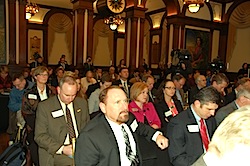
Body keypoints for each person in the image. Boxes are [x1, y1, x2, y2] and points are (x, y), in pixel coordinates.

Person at [75, 86, 169, 166]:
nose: (124, 107)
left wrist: (156, 136)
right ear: (103, 107)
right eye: (117, 102)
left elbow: (139, 127)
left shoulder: (127, 118)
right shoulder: (90, 137)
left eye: (125, 101)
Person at [34, 71, 90, 166]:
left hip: (80, 148)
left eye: (73, 95)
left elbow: (87, 129)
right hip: (55, 151)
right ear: (59, 90)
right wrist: (63, 149)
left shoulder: (82, 103)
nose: (70, 99)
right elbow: (40, 136)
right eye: (67, 95)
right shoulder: (45, 107)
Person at [167, 86, 220, 166]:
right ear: (197, 104)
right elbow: (177, 158)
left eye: (214, 109)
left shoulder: (210, 120)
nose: (213, 113)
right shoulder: (178, 122)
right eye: (209, 109)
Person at [22, 66, 51, 165]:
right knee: (36, 150)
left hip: (51, 126)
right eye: (41, 74)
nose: (44, 77)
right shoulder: (29, 93)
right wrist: (39, 127)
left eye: (46, 74)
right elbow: (26, 113)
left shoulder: (52, 92)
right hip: (34, 128)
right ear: (35, 76)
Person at [7, 73, 33, 141]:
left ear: (24, 81)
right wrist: (23, 105)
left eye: (18, 85)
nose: (17, 88)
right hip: (21, 111)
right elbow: (11, 106)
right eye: (15, 85)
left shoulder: (33, 88)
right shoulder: (13, 91)